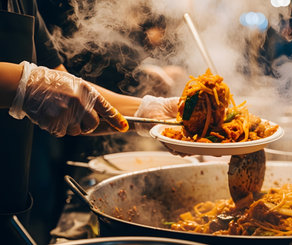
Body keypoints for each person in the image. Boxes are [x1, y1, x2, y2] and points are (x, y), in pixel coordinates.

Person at [0, 0, 178, 243]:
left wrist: (148, 111)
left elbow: (74, 93)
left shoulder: (23, 2)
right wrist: (23, 83)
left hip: (10, 192)